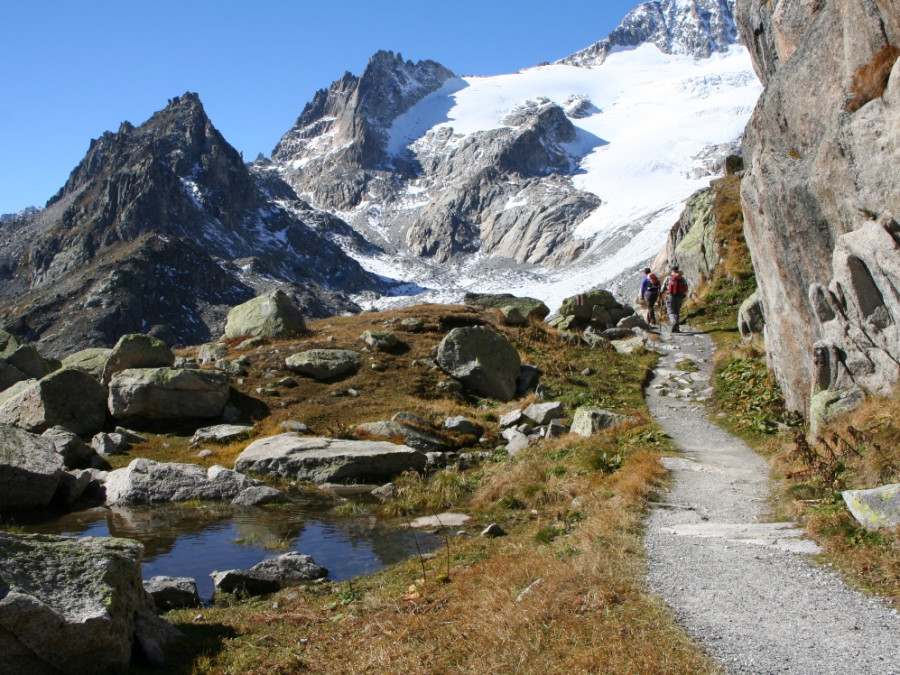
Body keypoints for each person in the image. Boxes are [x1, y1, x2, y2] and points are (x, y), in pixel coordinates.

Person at [662, 265, 688, 333]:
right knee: (677, 312)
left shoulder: (668, 278)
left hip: (670, 296)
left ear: (671, 270)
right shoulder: (681, 278)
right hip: (679, 296)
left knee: (670, 311)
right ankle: (677, 329)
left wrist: (661, 293)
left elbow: (662, 288)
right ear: (677, 270)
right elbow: (686, 287)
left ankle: (674, 322)